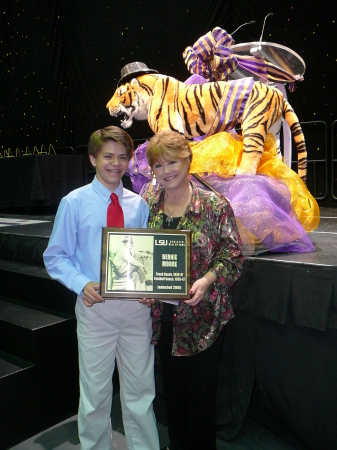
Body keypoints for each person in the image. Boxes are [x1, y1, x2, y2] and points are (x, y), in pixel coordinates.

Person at [43, 126, 160, 450]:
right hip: (96, 311)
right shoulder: (74, 203)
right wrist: (82, 284)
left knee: (141, 394)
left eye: (122, 157)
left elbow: (143, 255)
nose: (115, 163)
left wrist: (150, 286)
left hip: (137, 311)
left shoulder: (139, 205)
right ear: (93, 158)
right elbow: (55, 256)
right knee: (95, 396)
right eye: (108, 156)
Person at [142, 130, 244, 450]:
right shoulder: (145, 205)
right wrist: (141, 287)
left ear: (188, 159)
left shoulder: (214, 204)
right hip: (164, 317)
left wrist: (209, 279)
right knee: (172, 397)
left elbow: (233, 256)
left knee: (201, 399)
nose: (166, 170)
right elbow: (139, 256)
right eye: (158, 165)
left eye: (172, 161)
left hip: (205, 319)